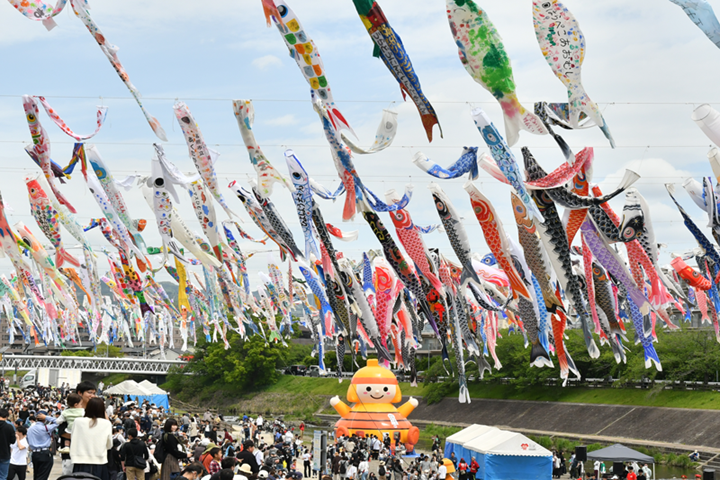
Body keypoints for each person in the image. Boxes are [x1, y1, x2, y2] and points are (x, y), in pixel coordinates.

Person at [70, 397, 113, 480]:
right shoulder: (106, 424)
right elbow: (109, 445)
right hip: (99, 461)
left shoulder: (78, 421)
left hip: (80, 461)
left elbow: (74, 438)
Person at [27, 409, 58, 480]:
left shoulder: (30, 429)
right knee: (43, 476)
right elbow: (58, 422)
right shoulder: (46, 428)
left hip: (35, 454)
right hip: (45, 453)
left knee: (37, 475)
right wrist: (46, 417)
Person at [0, 408, 16, 480]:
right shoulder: (9, 427)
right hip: (5, 453)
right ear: (6, 416)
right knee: (3, 476)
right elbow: (13, 441)